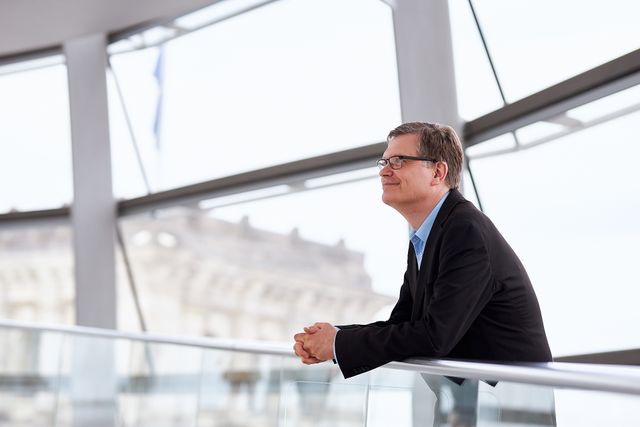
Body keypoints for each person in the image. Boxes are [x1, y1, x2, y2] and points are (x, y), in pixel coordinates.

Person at [293, 122, 552, 380]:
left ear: (438, 172)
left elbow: (434, 335)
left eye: (398, 161)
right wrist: (333, 338)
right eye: (383, 163)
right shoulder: (427, 235)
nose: (384, 172)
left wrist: (337, 343)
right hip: (474, 401)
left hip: (509, 406)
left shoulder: (465, 231)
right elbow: (402, 324)